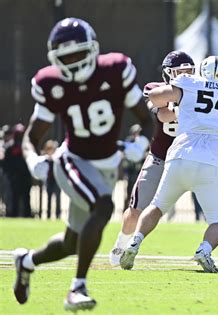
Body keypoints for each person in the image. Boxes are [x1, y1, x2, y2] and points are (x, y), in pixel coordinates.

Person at [13, 17, 152, 311]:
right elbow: (32, 135)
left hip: (107, 165)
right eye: (66, 58)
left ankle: (26, 261)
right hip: (72, 161)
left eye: (79, 54)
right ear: (55, 59)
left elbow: (145, 119)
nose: (74, 63)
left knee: (70, 243)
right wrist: (33, 159)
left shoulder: (116, 70)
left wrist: (141, 144)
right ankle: (77, 289)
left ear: (93, 50)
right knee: (103, 206)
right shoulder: (51, 83)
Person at [110, 51, 218, 271]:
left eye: (187, 71)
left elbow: (165, 104)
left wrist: (187, 106)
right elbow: (161, 114)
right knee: (136, 209)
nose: (183, 74)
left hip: (179, 156)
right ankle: (121, 245)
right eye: (178, 71)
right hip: (167, 158)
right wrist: (187, 108)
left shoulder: (190, 86)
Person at [3, 124, 32, 218]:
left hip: (25, 177)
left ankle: (27, 215)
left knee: (26, 198)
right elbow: (5, 164)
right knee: (13, 198)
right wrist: (10, 175)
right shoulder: (9, 148)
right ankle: (13, 215)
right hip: (14, 178)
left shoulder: (27, 148)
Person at [42, 140, 61, 219]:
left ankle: (57, 214)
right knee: (49, 198)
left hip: (56, 180)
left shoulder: (56, 159)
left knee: (57, 198)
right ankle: (48, 215)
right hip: (49, 180)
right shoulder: (45, 159)